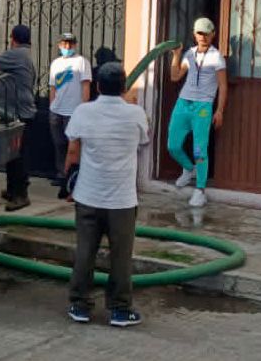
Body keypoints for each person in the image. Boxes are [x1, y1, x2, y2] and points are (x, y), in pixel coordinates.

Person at [63, 62, 148, 328]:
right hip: (122, 200)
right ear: (124, 87)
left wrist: (69, 186)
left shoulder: (83, 112)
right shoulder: (136, 114)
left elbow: (73, 151)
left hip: (88, 195)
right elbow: (143, 141)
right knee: (121, 256)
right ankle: (120, 310)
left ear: (98, 86)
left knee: (85, 251)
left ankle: (80, 305)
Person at [166, 17, 226, 208]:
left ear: (213, 34)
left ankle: (200, 190)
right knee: (173, 145)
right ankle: (188, 168)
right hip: (183, 103)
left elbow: (223, 86)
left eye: (207, 33)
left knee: (199, 149)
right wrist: (176, 55)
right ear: (194, 34)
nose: (203, 36)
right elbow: (175, 76)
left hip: (203, 107)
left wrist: (219, 110)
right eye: (200, 33)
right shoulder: (189, 54)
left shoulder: (216, 57)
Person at [0, 24, 38, 211]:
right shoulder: (25, 56)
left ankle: (20, 195)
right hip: (17, 113)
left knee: (18, 156)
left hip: (19, 115)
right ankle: (11, 189)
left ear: (13, 39)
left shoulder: (16, 54)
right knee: (12, 153)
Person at [47, 32, 92, 191]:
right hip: (57, 111)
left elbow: (86, 86)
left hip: (74, 111)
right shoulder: (56, 63)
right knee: (58, 144)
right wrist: (52, 106)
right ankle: (61, 174)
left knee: (73, 146)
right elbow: (53, 87)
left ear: (75, 45)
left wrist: (83, 108)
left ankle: (72, 176)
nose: (67, 46)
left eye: (70, 44)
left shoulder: (82, 62)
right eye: (64, 44)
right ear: (59, 45)